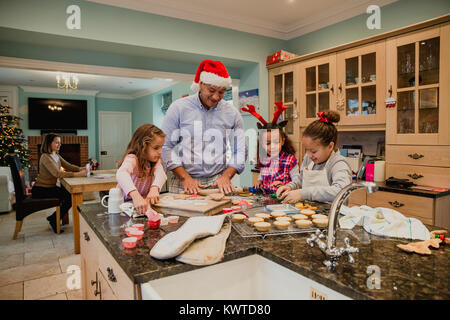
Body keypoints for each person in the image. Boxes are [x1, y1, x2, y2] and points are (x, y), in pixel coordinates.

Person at [161, 59, 246, 195]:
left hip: (217, 181)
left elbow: (240, 150)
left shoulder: (232, 113)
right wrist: (185, 177)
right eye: (211, 90)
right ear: (201, 84)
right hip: (183, 181)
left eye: (222, 92)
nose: (216, 97)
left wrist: (226, 176)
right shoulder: (178, 108)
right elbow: (165, 147)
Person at [276, 111, 352, 203]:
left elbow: (341, 191)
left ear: (330, 146)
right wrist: (290, 186)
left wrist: (303, 193)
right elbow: (301, 180)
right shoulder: (309, 158)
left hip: (331, 215)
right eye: (306, 150)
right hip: (310, 210)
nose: (309, 155)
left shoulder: (338, 163)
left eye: (313, 151)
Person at [31, 133, 87, 233]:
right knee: (70, 197)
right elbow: (56, 173)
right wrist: (78, 174)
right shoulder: (45, 157)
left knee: (69, 195)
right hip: (41, 189)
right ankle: (53, 219)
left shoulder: (55, 155)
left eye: (60, 143)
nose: (59, 145)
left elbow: (69, 166)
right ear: (49, 143)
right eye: (57, 142)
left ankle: (53, 218)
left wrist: (82, 169)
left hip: (49, 188)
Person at [243, 102, 300, 194]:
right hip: (266, 200)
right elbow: (262, 175)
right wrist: (259, 181)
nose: (272, 146)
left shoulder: (290, 160)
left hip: (283, 200)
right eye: (268, 143)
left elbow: (298, 182)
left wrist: (286, 186)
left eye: (276, 142)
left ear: (283, 141)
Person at [116, 124, 167, 216]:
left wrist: (154, 188)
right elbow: (121, 173)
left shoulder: (155, 162)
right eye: (156, 148)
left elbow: (161, 174)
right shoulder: (132, 159)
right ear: (142, 146)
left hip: (141, 204)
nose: (160, 152)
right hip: (123, 205)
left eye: (161, 147)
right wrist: (135, 195)